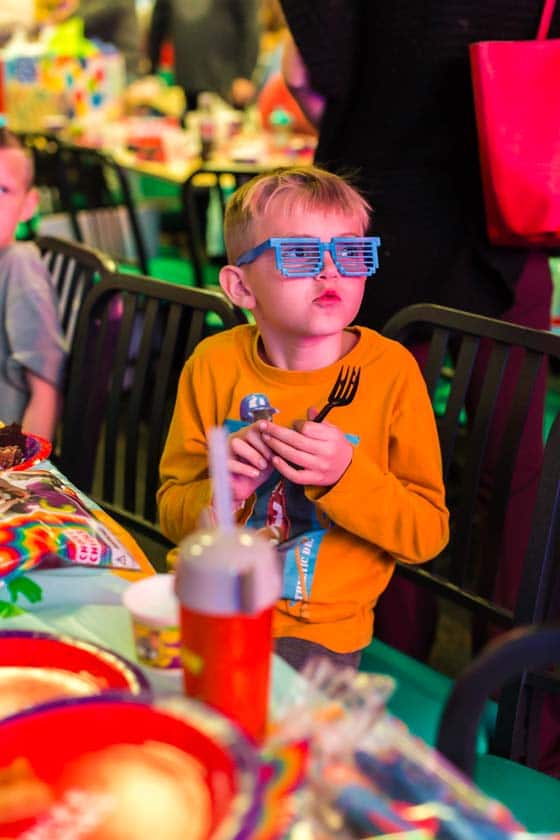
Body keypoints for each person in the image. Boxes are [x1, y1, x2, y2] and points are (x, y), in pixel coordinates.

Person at [280, 0, 557, 644]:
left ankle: (387, 659)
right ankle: (516, 691)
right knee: (513, 469)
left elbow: (307, 74)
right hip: (504, 225)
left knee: (379, 458)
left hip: (381, 225)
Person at [157, 165, 449, 671]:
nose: (330, 270)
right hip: (204, 598)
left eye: (350, 253)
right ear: (241, 287)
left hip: (315, 633)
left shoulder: (391, 373)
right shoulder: (212, 364)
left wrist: (345, 476)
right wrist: (224, 491)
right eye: (300, 254)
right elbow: (174, 516)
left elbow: (425, 535)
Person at [0, 128, 67, 440]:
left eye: (2, 190)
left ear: (28, 204)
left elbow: (46, 394)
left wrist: (21, 477)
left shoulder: (19, 265)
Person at [148, 0, 260, 110]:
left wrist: (245, 75)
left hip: (226, 83)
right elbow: (157, 26)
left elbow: (250, 25)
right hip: (184, 82)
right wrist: (151, 73)